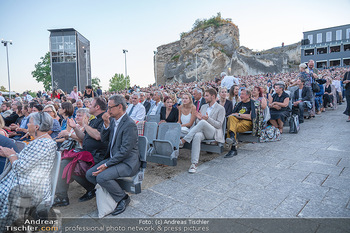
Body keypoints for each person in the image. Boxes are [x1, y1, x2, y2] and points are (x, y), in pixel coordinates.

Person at [86, 95, 140, 216]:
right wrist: (106, 124)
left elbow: (125, 151)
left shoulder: (129, 124)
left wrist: (106, 164)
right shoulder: (113, 121)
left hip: (127, 163)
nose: (108, 111)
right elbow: (104, 140)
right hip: (114, 159)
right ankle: (111, 193)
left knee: (101, 177)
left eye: (110, 108)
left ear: (119, 107)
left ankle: (123, 198)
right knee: (89, 174)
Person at [0, 112, 56, 229]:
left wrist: (11, 156)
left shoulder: (44, 143)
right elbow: (28, 161)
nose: (27, 125)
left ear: (36, 127)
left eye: (29, 122)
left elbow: (21, 168)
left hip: (32, 186)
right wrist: (10, 153)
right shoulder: (40, 141)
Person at [53, 97, 109, 207]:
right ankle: (62, 196)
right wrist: (76, 128)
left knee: (69, 165)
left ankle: (90, 188)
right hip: (87, 153)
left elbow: (98, 136)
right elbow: (83, 137)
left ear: (97, 107)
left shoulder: (104, 120)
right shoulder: (94, 120)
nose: (89, 106)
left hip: (98, 156)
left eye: (91, 105)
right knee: (63, 162)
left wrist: (85, 125)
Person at [179, 88, 225, 173]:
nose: (205, 98)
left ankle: (184, 140)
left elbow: (219, 125)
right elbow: (197, 122)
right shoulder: (203, 106)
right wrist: (199, 118)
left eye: (207, 96)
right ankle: (194, 164)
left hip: (214, 132)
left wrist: (207, 119)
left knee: (203, 122)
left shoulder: (220, 108)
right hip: (203, 132)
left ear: (213, 96)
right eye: (204, 96)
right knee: (197, 135)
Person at [225, 89, 256, 158]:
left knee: (232, 127)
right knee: (231, 118)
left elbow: (251, 117)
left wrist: (239, 115)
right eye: (240, 94)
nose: (240, 96)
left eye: (242, 94)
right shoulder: (239, 103)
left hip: (247, 123)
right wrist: (235, 115)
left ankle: (233, 146)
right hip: (237, 121)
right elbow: (232, 114)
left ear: (248, 96)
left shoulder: (252, 103)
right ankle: (233, 140)